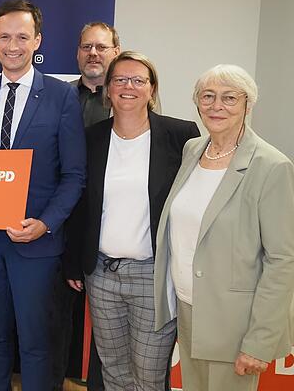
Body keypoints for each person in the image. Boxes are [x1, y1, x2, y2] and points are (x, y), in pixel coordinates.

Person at [0, 0, 86, 391]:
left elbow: (74, 175)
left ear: (38, 41)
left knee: (35, 343)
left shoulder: (62, 96)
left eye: (22, 37)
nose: (12, 45)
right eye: (4, 37)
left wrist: (45, 223)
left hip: (35, 243)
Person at [64, 51, 199, 391]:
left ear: (152, 90)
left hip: (153, 275)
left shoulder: (181, 136)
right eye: (120, 80)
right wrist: (72, 264)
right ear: (108, 89)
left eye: (138, 80)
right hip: (102, 274)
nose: (128, 87)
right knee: (113, 371)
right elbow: (81, 205)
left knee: (149, 376)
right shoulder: (92, 137)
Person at [154, 64, 294, 391]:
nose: (217, 106)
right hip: (190, 314)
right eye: (208, 97)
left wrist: (259, 341)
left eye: (229, 98)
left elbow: (282, 260)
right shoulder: (193, 150)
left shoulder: (272, 166)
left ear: (248, 104)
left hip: (235, 325)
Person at [52, 21, 122, 391]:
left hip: (110, 225)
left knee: (107, 325)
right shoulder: (59, 97)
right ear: (77, 53)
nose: (93, 54)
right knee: (57, 317)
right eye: (86, 47)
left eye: (101, 47)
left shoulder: (128, 100)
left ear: (115, 51)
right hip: (61, 222)